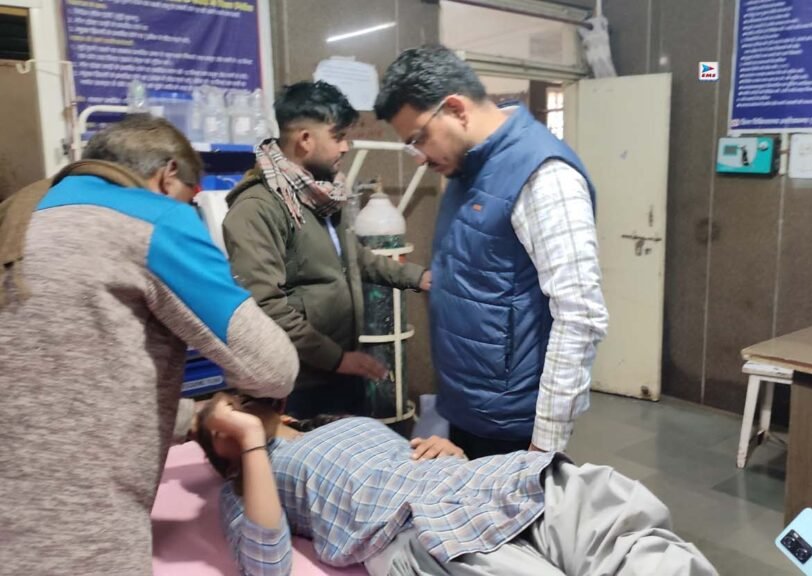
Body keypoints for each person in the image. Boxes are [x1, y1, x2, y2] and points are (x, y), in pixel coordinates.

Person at [0, 115, 298, 575]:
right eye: (191, 198)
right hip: (78, 542)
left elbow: (59, 377)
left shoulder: (16, 216)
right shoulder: (155, 218)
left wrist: (194, 416)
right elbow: (273, 368)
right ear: (167, 174)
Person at [374, 46, 609, 459]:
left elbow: (580, 315)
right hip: (467, 409)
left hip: (513, 426)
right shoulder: (467, 168)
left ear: (455, 109)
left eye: (418, 139)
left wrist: (543, 447)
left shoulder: (543, 175)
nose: (419, 158)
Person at [195, 392, 718, 576]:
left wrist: (449, 450)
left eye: (235, 403)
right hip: (413, 528)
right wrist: (250, 446)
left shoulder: (334, 421)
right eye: (221, 422)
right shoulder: (247, 484)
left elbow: (406, 455)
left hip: (482, 482)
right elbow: (266, 565)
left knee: (612, 522)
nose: (235, 411)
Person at [223, 81, 430, 420]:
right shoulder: (257, 207)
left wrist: (417, 277)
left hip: (340, 369)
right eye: (338, 137)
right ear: (305, 139)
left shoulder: (323, 195)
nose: (346, 147)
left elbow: (352, 258)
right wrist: (336, 359)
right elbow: (264, 304)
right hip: (297, 382)